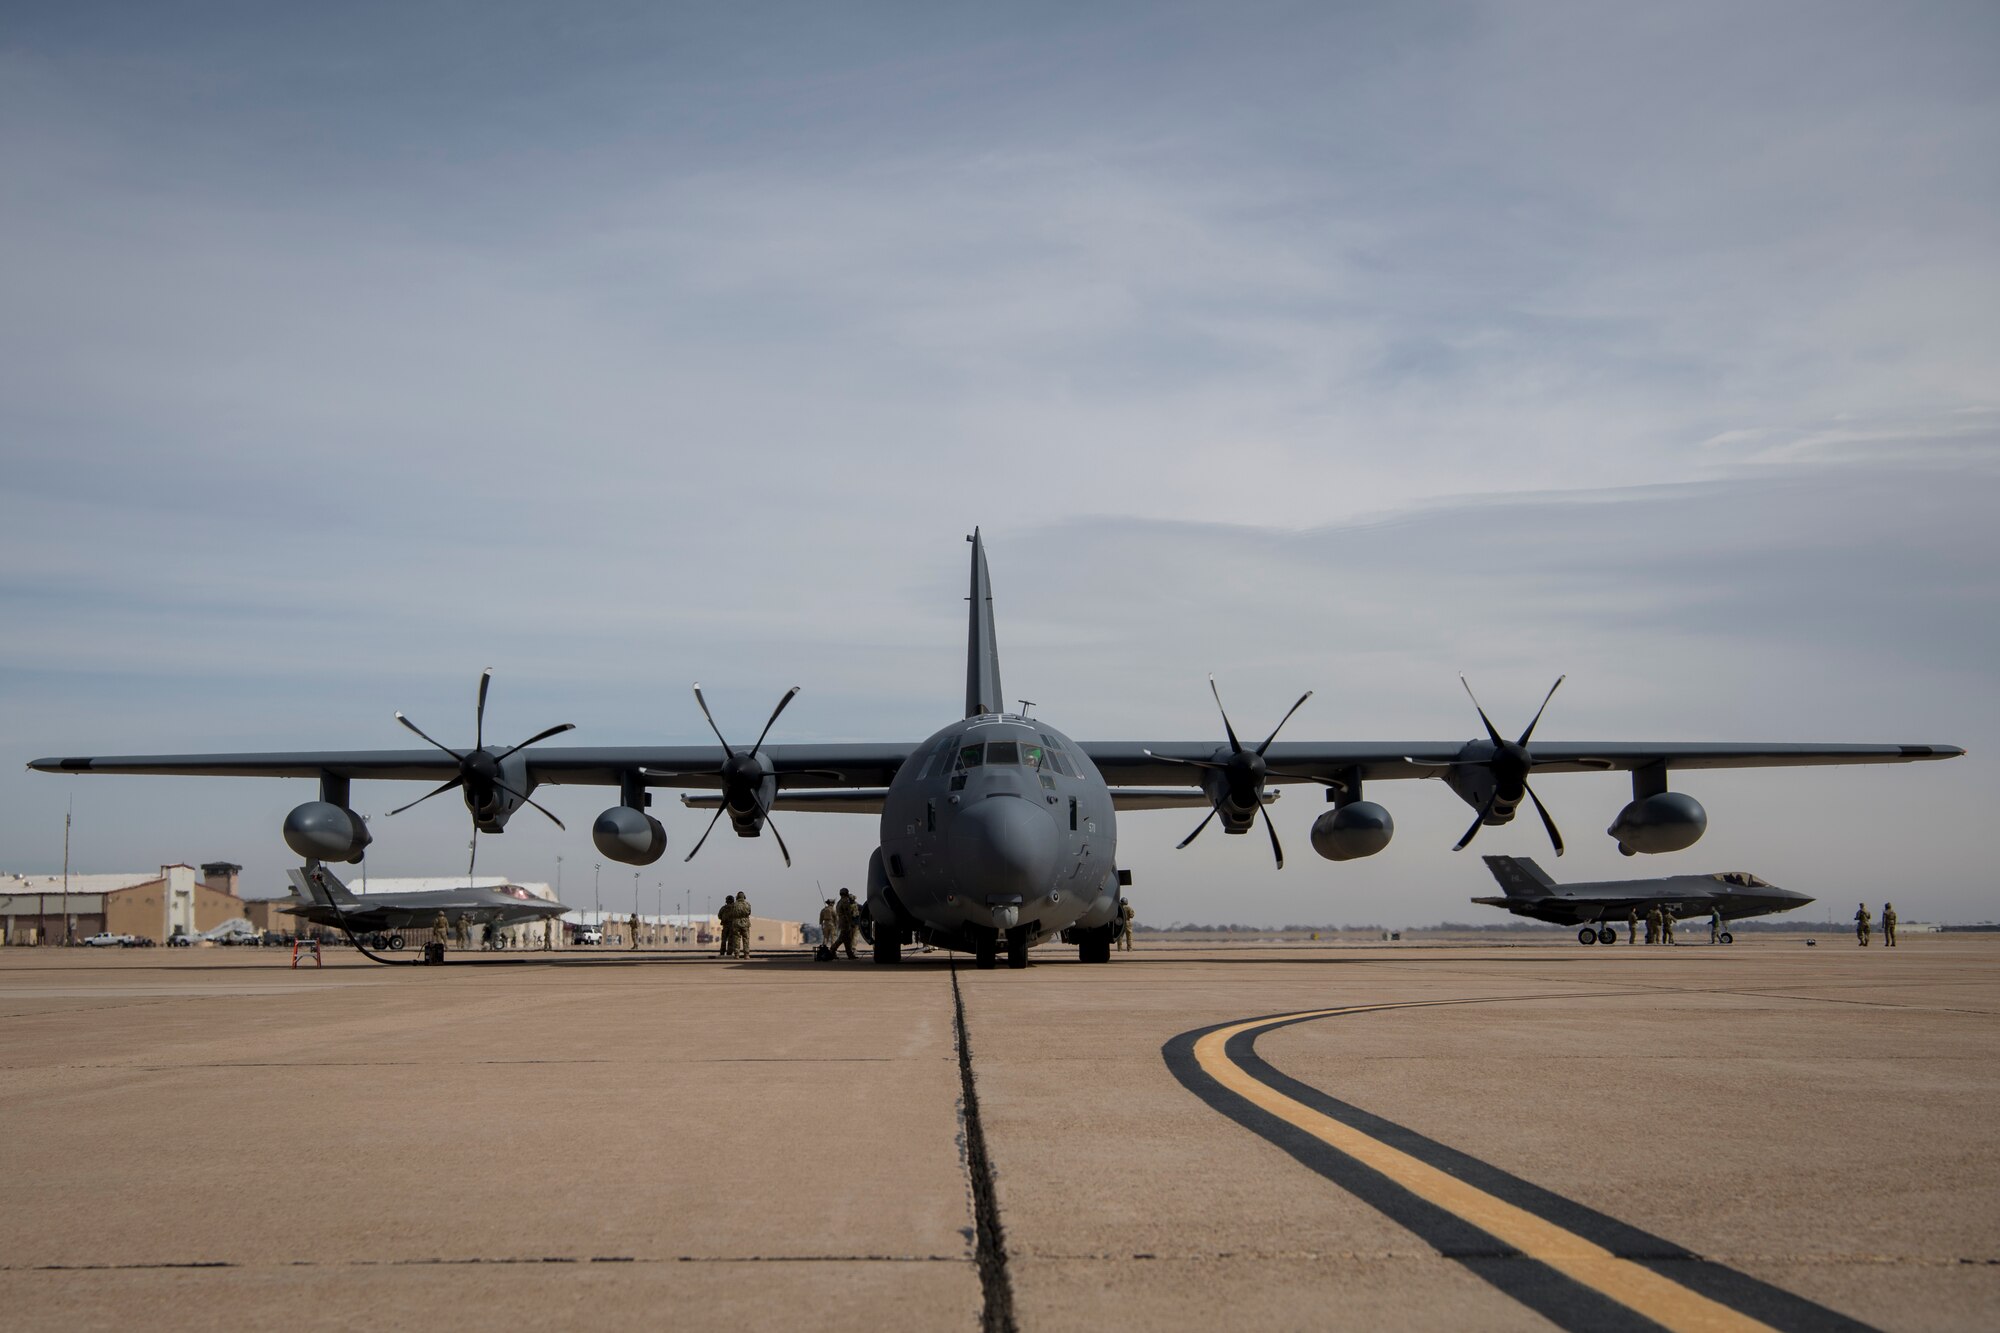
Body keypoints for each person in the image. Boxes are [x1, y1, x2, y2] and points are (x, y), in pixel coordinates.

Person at [834, 888, 859, 960]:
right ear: (846, 893)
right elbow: (848, 913)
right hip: (845, 922)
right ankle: (832, 951)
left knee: (847, 939)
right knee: (842, 938)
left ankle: (850, 954)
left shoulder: (839, 902)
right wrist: (851, 922)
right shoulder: (845, 901)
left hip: (842, 921)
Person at [734, 895, 753, 959]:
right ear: (744, 897)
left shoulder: (734, 905)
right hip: (745, 923)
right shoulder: (747, 904)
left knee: (737, 939)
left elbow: (731, 913)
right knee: (746, 939)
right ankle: (746, 955)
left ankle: (737, 955)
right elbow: (749, 912)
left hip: (736, 923)